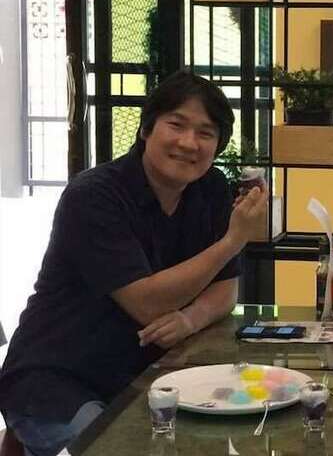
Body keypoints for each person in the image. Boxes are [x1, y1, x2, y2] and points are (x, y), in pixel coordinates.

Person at [0, 71, 267, 456]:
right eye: (176, 125)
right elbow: (147, 304)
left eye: (205, 133)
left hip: (143, 376)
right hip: (55, 378)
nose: (188, 142)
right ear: (146, 129)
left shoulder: (209, 188)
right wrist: (232, 241)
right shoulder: (93, 196)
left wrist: (190, 319)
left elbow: (226, 290)